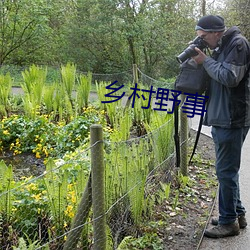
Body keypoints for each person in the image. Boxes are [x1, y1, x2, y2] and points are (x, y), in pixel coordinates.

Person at [192, 15, 250, 238]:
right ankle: (237, 214)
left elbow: (229, 77)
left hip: (232, 118)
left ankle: (228, 223)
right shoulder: (221, 46)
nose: (203, 41)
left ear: (216, 32)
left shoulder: (238, 44)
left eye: (204, 37)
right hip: (222, 117)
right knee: (227, 171)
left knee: (225, 171)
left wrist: (205, 61)